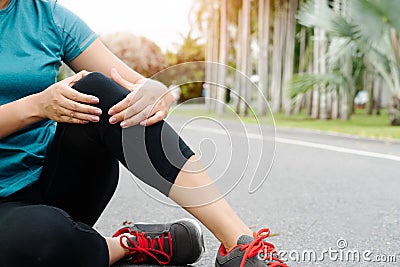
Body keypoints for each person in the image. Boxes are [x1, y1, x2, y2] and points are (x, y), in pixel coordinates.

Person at [0, 0, 289, 266]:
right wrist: (37, 106)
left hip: (56, 182)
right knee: (42, 242)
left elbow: (128, 84)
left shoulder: (46, 15)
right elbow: (38, 106)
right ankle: (127, 244)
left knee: (95, 90)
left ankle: (239, 245)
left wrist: (156, 92)